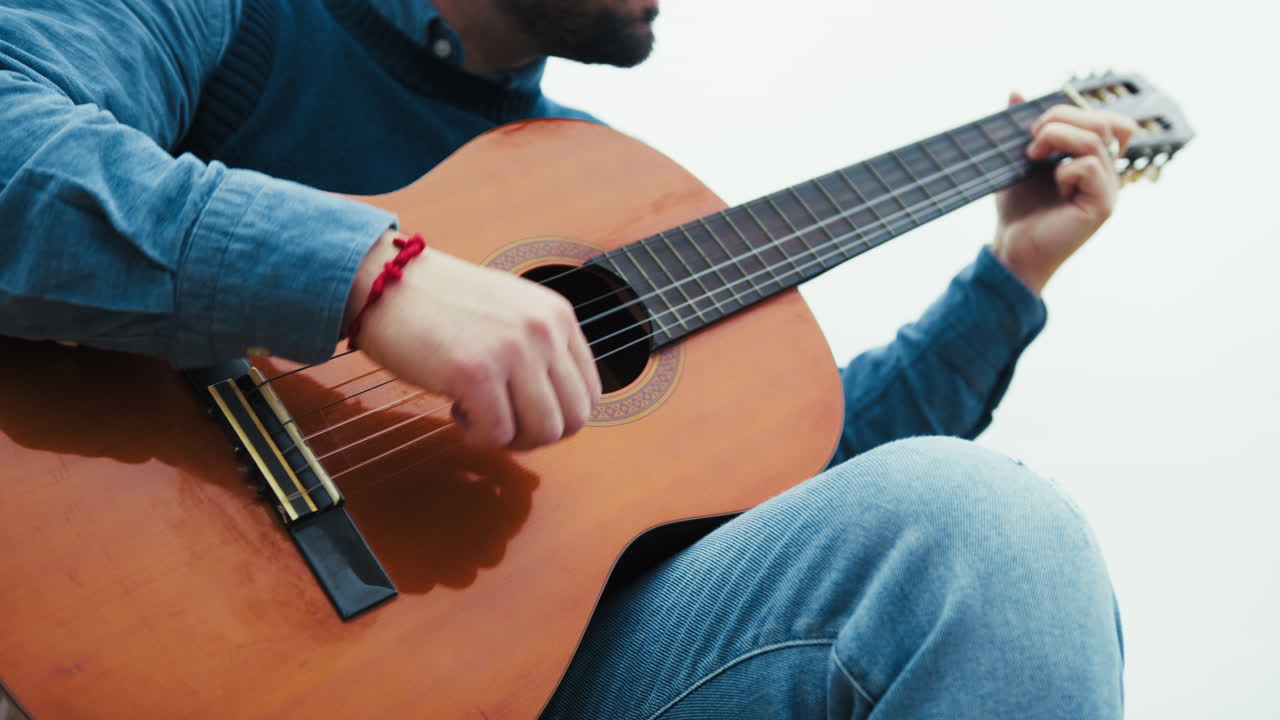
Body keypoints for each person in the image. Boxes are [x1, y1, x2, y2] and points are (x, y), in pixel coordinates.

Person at [0, 0, 1137, 717]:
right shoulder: (251, 17)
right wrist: (369, 279)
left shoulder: (586, 179)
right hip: (121, 622)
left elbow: (801, 477)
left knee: (984, 537)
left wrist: (1007, 280)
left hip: (540, 676)